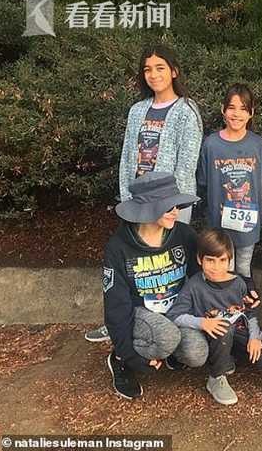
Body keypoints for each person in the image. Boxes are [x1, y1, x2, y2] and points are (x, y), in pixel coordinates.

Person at [86, 44, 203, 343]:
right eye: (148, 69)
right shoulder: (137, 110)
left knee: (168, 268)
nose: (153, 74)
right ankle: (122, 323)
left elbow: (186, 164)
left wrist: (170, 205)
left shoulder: (186, 111)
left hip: (170, 204)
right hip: (137, 204)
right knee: (133, 266)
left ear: (174, 71)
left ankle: (174, 329)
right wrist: (127, 199)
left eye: (160, 68)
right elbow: (128, 157)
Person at [102, 172, 200, 399]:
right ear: (147, 210)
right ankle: (118, 360)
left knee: (196, 353)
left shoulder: (184, 234)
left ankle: (169, 352)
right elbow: (116, 305)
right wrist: (128, 354)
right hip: (140, 313)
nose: (176, 211)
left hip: (175, 311)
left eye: (177, 205)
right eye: (168, 207)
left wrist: (239, 288)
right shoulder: (118, 247)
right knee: (167, 336)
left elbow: (201, 276)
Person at [167, 228, 262, 406]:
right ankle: (216, 377)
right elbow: (174, 315)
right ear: (200, 259)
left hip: (234, 331)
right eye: (210, 260)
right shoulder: (194, 285)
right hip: (210, 334)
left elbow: (249, 312)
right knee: (224, 327)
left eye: (222, 260)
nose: (216, 267)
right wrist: (202, 323)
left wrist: (254, 337)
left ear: (229, 261)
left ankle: (226, 357)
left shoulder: (238, 283)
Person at [197, 83, 262, 293]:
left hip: (248, 224)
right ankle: (224, 310)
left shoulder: (260, 145)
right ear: (223, 110)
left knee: (244, 270)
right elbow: (203, 182)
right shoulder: (211, 144)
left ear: (251, 113)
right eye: (231, 107)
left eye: (243, 109)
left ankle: (244, 310)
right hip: (219, 223)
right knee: (223, 272)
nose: (236, 114)